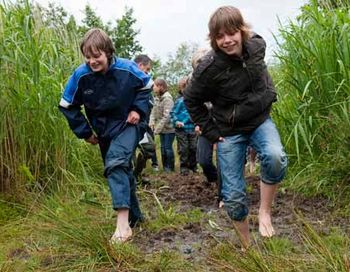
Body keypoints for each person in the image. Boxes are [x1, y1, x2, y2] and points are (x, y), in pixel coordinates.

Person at [184, 6, 288, 248]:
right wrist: (210, 131)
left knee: (275, 157)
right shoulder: (208, 69)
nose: (227, 40)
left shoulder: (257, 47)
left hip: (260, 120)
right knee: (232, 195)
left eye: (231, 33)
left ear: (241, 31)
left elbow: (261, 72)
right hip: (228, 130)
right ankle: (246, 245)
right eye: (219, 36)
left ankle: (264, 212)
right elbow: (191, 100)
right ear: (213, 39)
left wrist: (269, 93)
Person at [58, 28, 152, 243]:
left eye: (97, 56)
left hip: (130, 123)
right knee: (121, 170)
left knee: (116, 163)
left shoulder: (128, 69)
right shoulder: (80, 76)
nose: (92, 61)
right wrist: (85, 132)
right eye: (88, 57)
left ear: (108, 52)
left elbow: (147, 85)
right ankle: (135, 218)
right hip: (104, 131)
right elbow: (66, 105)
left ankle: (122, 227)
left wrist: (137, 109)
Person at [133, 54, 159, 185]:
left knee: (149, 149)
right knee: (128, 153)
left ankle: (136, 173)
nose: (148, 73)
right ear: (140, 65)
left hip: (143, 125)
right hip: (130, 125)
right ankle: (132, 179)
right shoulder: (129, 81)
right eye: (147, 69)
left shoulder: (146, 84)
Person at [170, 77, 197, 176]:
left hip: (192, 128)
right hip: (181, 129)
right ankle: (184, 168)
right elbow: (173, 113)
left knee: (194, 147)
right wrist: (177, 121)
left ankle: (193, 166)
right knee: (184, 148)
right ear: (182, 89)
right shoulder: (180, 101)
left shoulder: (195, 101)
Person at [150, 79, 175, 172]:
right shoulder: (157, 98)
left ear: (160, 86)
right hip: (162, 129)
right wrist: (151, 121)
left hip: (169, 129)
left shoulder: (168, 99)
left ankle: (170, 168)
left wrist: (157, 129)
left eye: (155, 86)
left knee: (168, 148)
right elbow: (153, 111)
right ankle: (165, 168)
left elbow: (167, 117)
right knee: (163, 148)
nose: (153, 88)